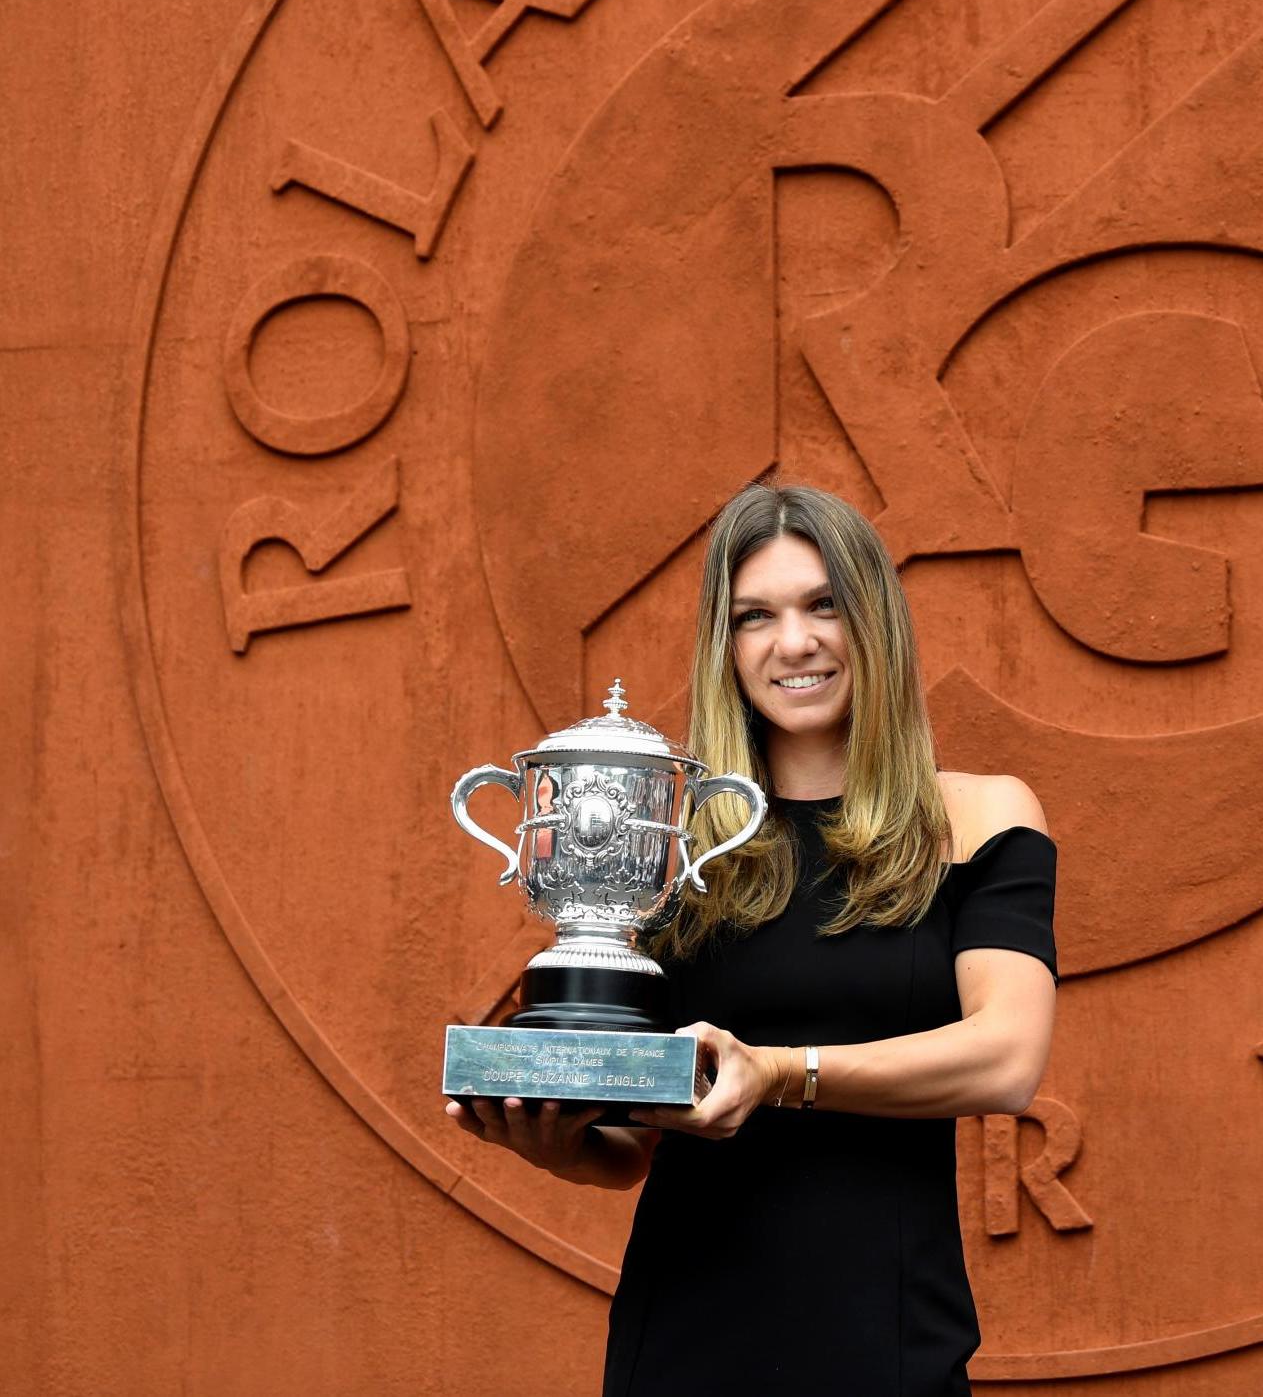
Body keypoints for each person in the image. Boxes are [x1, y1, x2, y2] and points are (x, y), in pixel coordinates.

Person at [444, 482, 1058, 1395]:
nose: (794, 642)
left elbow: (1005, 1058)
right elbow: (634, 1149)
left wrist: (777, 1072)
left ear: (875, 621)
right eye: (755, 616)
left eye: (824, 606)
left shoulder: (977, 817)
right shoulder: (682, 845)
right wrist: (557, 1142)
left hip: (886, 1340)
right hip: (686, 1341)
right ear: (725, 647)